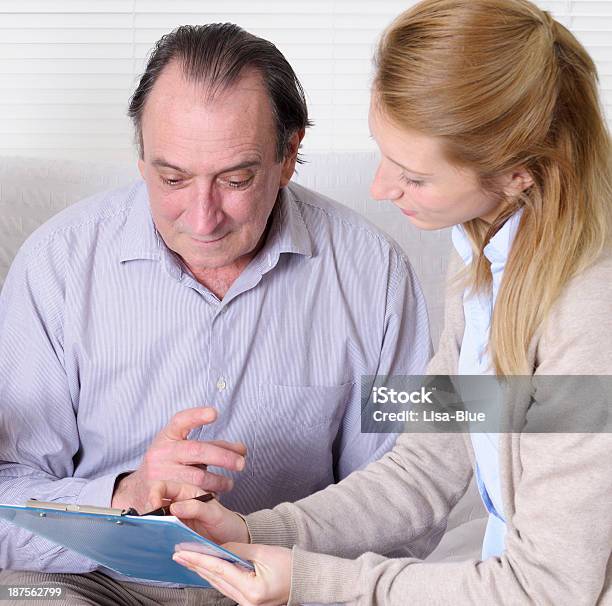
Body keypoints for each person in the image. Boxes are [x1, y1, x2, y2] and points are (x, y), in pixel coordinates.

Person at [157, 1, 612, 603]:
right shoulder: (486, 252)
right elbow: (424, 469)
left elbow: (549, 588)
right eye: (384, 153)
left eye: (414, 177)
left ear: (519, 172)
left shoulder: (590, 309)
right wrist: (254, 531)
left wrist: (310, 581)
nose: (379, 188)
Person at [0, 23, 432, 604]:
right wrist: (125, 496)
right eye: (172, 177)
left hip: (286, 584)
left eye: (235, 180)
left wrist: (281, 558)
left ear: (289, 155)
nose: (202, 219)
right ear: (141, 155)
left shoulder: (373, 274)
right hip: (91, 585)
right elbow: (7, 502)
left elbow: (405, 498)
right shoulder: (57, 264)